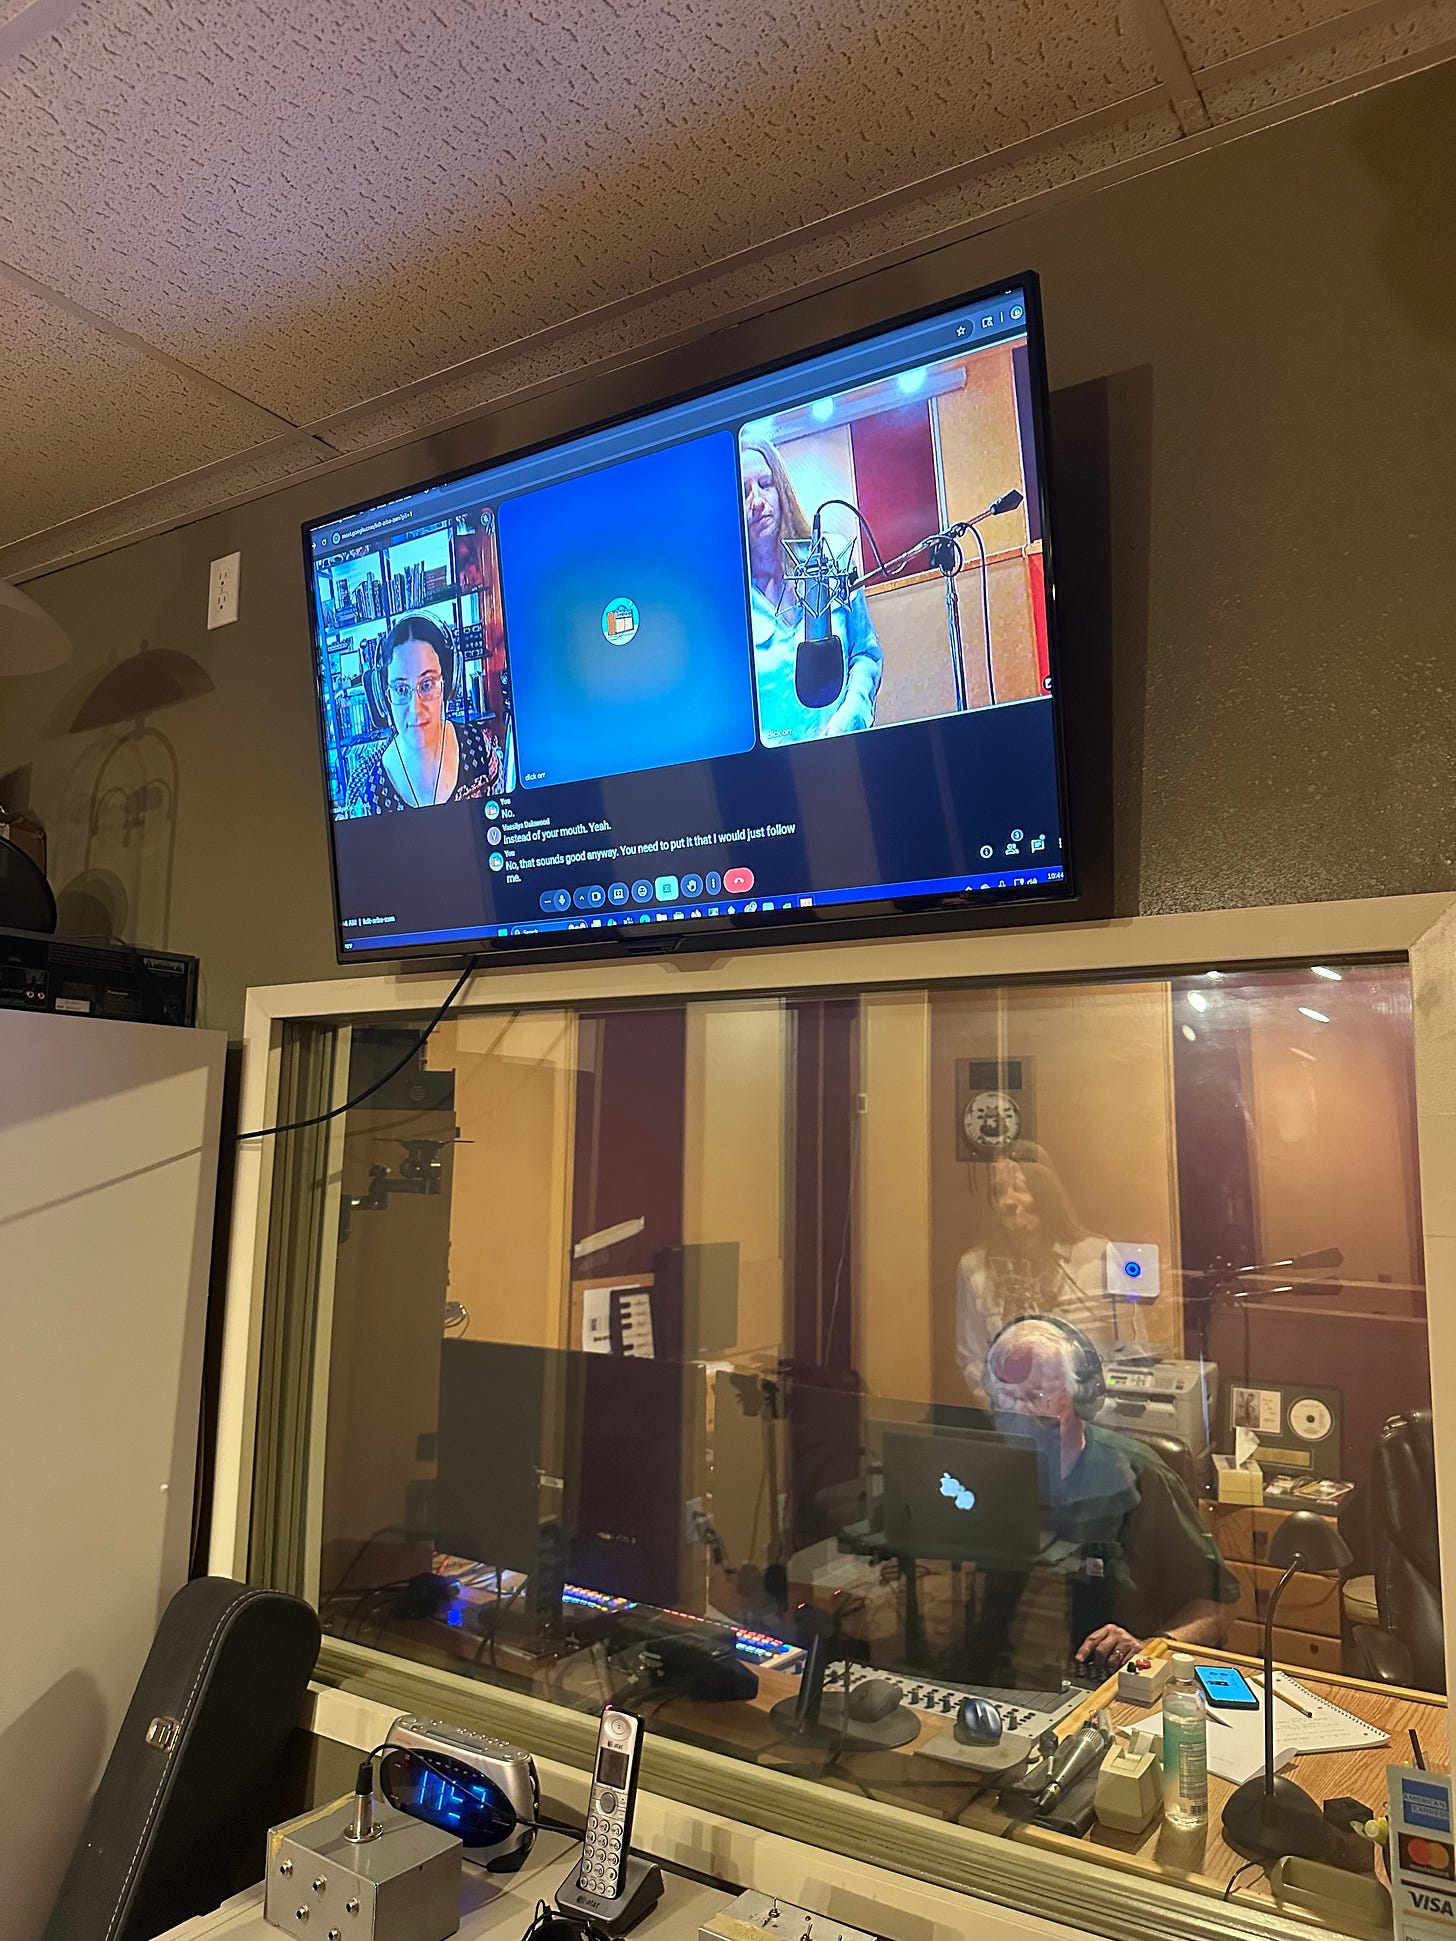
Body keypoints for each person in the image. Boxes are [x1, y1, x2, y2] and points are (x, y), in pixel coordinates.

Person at [983, 1316, 1236, 1671]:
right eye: (1006, 1398)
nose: (1018, 1413)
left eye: (1035, 1396)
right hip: (1008, 1678)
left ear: (1080, 1394)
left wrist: (1152, 1647)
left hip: (1109, 1683)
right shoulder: (989, 1472)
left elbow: (1217, 1605)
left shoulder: (1140, 1475)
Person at [739, 436, 882, 746]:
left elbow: (866, 654)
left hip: (848, 750)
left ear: (783, 490)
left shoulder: (833, 555)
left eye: (766, 484)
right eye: (744, 492)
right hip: (776, 773)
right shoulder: (727, 600)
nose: (758, 501)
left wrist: (852, 715)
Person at [956, 1153, 1114, 1397]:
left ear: (1045, 1195)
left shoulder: (1097, 1257)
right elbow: (973, 1361)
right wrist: (1012, 1413)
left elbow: (1127, 1351)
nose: (1008, 1201)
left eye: (1019, 1187)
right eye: (998, 1192)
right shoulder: (974, 1268)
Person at [345, 615, 505, 815]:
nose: (415, 708)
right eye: (401, 689)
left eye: (427, 684)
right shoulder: (368, 790)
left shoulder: (480, 747)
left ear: (448, 684)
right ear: (384, 696)